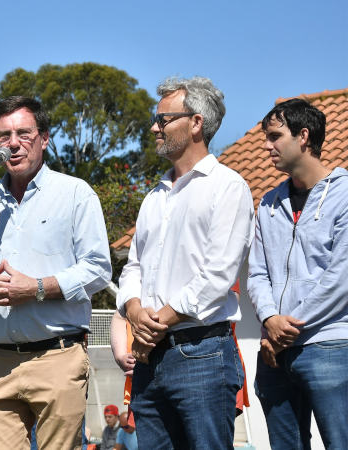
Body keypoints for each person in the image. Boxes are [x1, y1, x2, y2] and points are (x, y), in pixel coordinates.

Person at [0, 96, 112, 449]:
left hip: (56, 356)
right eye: (3, 135)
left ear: (44, 137)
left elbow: (99, 269)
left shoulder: (75, 194)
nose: (13, 143)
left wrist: (37, 288)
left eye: (23, 133)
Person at [116, 76, 254, 448]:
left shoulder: (228, 187)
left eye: (163, 119)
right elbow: (133, 268)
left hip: (203, 354)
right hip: (150, 357)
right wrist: (133, 309)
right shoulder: (154, 198)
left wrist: (154, 323)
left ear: (196, 123)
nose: (154, 127)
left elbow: (217, 276)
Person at [248, 98, 348, 448]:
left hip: (331, 345)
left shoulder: (345, 195)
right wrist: (269, 319)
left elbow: (341, 279)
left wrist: (283, 328)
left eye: (275, 136)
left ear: (303, 136)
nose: (266, 146)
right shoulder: (268, 204)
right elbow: (257, 273)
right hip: (274, 354)